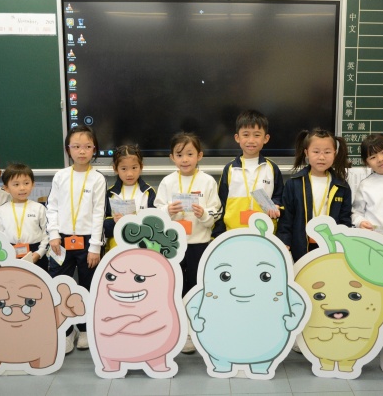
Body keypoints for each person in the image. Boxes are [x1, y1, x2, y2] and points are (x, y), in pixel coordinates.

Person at [154, 132, 222, 354]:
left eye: (190, 154)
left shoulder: (208, 181)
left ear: (199, 156)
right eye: (179, 154)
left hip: (199, 244)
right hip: (173, 245)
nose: (185, 159)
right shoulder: (167, 182)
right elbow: (157, 211)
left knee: (196, 287)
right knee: (174, 287)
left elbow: (216, 212)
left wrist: (204, 214)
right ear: (172, 157)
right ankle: (177, 330)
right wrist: (167, 210)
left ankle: (194, 331)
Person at [46, 125, 106, 353]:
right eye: (76, 146)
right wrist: (53, 235)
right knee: (60, 285)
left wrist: (95, 247)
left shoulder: (97, 179)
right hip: (61, 241)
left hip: (88, 242)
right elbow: (52, 207)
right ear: (68, 149)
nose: (82, 151)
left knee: (87, 287)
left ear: (94, 149)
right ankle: (66, 331)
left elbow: (99, 214)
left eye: (87, 146)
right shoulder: (60, 176)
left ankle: (85, 329)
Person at [276, 128, 353, 262]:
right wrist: (284, 241)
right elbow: (287, 218)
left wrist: (344, 244)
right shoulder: (294, 183)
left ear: (334, 153)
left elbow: (345, 219)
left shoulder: (342, 186)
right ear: (306, 152)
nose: (321, 157)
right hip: (300, 247)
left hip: (331, 247)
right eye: (316, 152)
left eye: (327, 152)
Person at [212, 109, 284, 238]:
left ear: (266, 138)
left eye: (257, 135)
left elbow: (279, 196)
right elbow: (221, 204)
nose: (251, 140)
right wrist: (218, 235)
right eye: (246, 135)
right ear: (237, 138)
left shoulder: (272, 168)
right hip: (233, 234)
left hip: (265, 234)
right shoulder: (230, 169)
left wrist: (276, 205)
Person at [0, 163, 49, 271]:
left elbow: (47, 232)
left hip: (35, 253)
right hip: (9, 253)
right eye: (16, 184)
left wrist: (40, 252)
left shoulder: (39, 208)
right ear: (6, 188)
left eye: (26, 183)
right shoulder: (1, 210)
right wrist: (3, 254)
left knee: (37, 281)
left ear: (33, 184)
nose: (22, 188)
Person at [103, 144, 156, 250]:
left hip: (142, 248)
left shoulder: (149, 192)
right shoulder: (110, 193)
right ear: (115, 169)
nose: (130, 174)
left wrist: (138, 221)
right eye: (124, 169)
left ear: (141, 167)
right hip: (116, 249)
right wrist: (114, 222)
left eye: (134, 168)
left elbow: (156, 224)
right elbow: (103, 228)